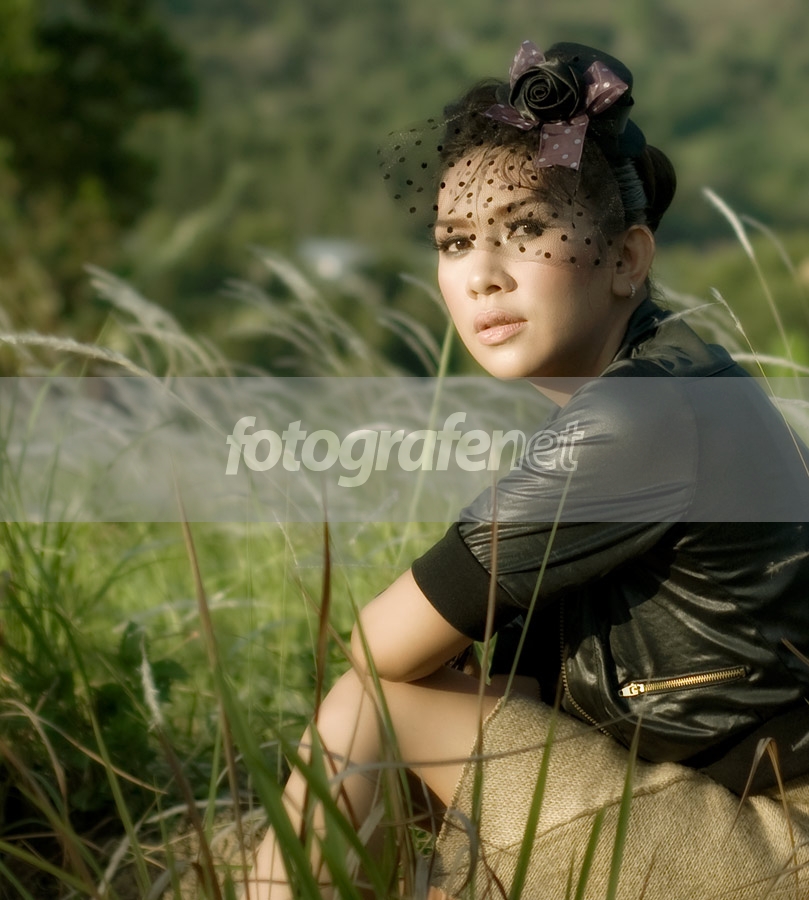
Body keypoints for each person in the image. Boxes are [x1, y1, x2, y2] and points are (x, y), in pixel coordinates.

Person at [245, 41, 809, 899]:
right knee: (417, 718)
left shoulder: (638, 417)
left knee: (374, 706)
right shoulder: (666, 381)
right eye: (454, 241)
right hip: (722, 797)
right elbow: (563, 685)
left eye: (525, 231)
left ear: (626, 259)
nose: (481, 276)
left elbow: (376, 645)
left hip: (773, 840)